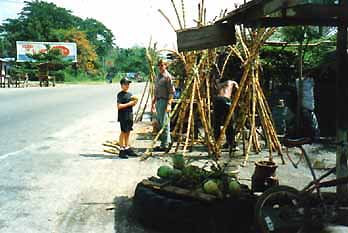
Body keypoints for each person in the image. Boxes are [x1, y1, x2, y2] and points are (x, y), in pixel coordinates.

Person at [151, 59, 175, 151]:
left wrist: (169, 104)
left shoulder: (167, 77)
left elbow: (171, 92)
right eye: (159, 65)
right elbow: (156, 92)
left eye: (162, 65)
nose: (160, 67)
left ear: (166, 66)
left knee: (165, 123)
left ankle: (165, 144)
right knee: (160, 123)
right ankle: (163, 143)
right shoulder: (158, 76)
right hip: (158, 101)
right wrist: (153, 104)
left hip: (165, 102)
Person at [213, 80, 239, 150]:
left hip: (217, 100)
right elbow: (237, 89)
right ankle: (232, 143)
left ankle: (217, 143)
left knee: (217, 122)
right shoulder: (232, 82)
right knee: (230, 122)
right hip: (225, 100)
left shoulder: (219, 84)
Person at [117, 77, 138, 158]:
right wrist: (129, 104)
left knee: (128, 131)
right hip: (123, 116)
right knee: (123, 132)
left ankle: (127, 147)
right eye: (125, 84)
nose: (127, 85)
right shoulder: (120, 95)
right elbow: (119, 106)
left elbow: (133, 104)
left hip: (129, 115)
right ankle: (121, 149)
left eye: (128, 84)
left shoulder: (130, 94)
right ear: (121, 85)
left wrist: (135, 101)